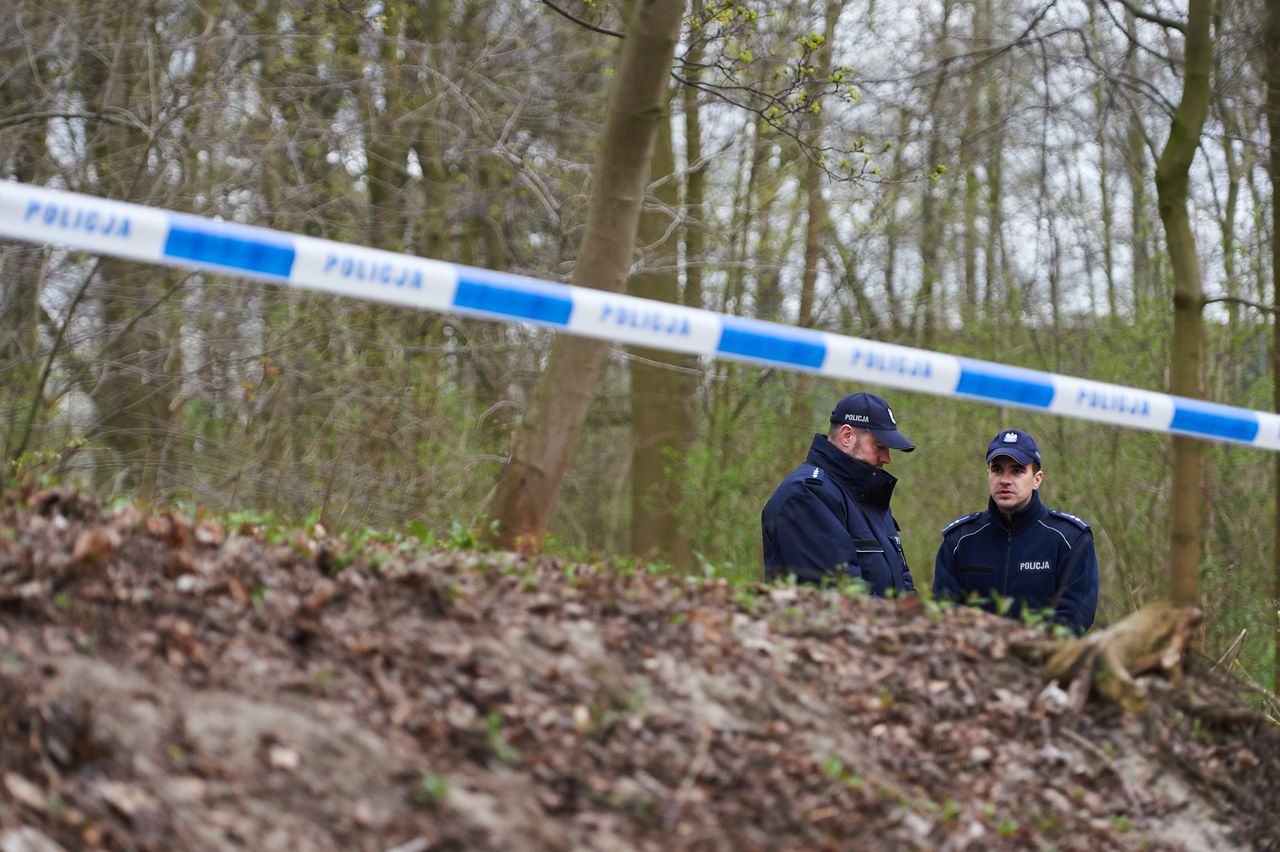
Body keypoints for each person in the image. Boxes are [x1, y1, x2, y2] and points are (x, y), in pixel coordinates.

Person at [932, 429, 1098, 633]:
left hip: (1041, 660)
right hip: (973, 660)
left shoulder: (1071, 538)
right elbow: (943, 611)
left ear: (1037, 479)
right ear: (988, 475)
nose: (1005, 480)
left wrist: (1033, 652)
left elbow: (1077, 612)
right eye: (997, 470)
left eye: (1017, 471)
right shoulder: (959, 540)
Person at [761, 392, 916, 596]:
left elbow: (904, 583)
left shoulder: (869, 496)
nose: (887, 458)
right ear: (847, 436)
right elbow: (842, 598)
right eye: (879, 446)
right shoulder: (806, 495)